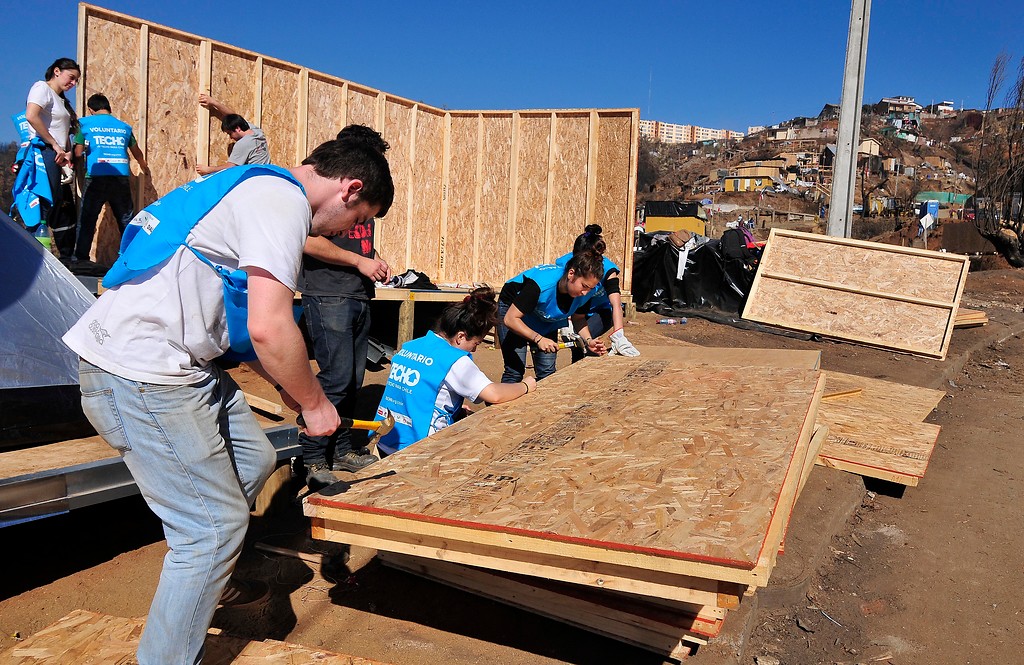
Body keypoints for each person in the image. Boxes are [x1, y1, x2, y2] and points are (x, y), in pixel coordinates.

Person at [61, 139, 394, 665]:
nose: (340, 232)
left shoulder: (254, 188)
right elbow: (269, 326)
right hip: (141, 373)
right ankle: (190, 597)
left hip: (179, 364)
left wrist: (290, 388)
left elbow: (238, 324)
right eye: (356, 219)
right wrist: (314, 404)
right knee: (211, 530)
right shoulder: (281, 201)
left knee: (255, 459)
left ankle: (205, 578)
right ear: (350, 189)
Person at [298, 124, 392, 489]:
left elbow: (358, 243)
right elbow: (307, 240)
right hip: (328, 292)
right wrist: (359, 262)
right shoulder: (319, 197)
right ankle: (311, 456)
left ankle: (340, 450)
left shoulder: (361, 194)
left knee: (353, 379)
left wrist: (374, 258)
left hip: (357, 293)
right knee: (335, 377)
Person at [374, 287, 536, 455]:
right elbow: (494, 394)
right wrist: (525, 385)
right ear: (460, 337)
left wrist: (454, 408)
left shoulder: (412, 346)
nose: (474, 350)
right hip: (417, 447)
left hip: (386, 438)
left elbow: (417, 392)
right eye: (476, 343)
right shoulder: (454, 360)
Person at [497, 249, 607, 384]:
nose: (585, 292)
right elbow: (510, 319)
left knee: (547, 373)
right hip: (513, 312)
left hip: (544, 316)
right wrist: (538, 338)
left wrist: (589, 340)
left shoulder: (586, 293)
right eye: (584, 286)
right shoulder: (541, 285)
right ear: (571, 274)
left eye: (590, 288)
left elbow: (578, 318)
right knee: (515, 370)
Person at [71, 93, 150, 265]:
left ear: (91, 109)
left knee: (87, 220)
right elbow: (137, 153)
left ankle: (81, 260)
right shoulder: (124, 127)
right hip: (120, 177)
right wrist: (144, 166)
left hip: (96, 177)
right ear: (108, 108)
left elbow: (77, 153)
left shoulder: (85, 124)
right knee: (126, 219)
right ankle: (132, 258)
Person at [555, 224, 639, 360]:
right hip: (577, 310)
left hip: (600, 312)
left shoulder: (608, 270)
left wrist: (619, 335)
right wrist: (566, 318)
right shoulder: (565, 263)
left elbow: (616, 305)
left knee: (584, 342)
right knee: (577, 341)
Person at [24, 57, 80, 257]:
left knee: (56, 205)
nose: (73, 83)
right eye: (71, 77)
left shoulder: (61, 100)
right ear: (57, 71)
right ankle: (33, 254)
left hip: (57, 156)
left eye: (76, 81)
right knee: (43, 206)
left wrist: (66, 152)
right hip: (44, 153)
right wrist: (54, 144)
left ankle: (50, 253)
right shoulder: (42, 88)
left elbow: (62, 130)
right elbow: (31, 115)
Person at [196, 93, 270, 174]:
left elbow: (231, 166)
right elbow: (233, 116)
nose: (231, 137)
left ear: (238, 128)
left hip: (257, 177)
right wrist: (213, 102)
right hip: (270, 173)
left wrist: (208, 170)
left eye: (230, 133)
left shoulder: (243, 143)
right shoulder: (257, 131)